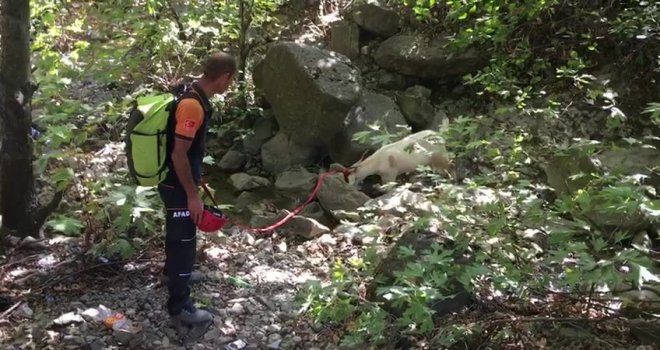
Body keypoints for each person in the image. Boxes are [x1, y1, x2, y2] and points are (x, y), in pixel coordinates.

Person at [157, 52, 236, 330]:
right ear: (224, 77)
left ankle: (172, 274)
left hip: (174, 180)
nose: (230, 86)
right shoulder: (193, 106)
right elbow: (179, 154)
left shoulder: (191, 92)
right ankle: (180, 310)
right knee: (184, 244)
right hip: (175, 184)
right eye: (231, 80)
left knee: (177, 237)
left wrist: (195, 179)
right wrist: (192, 195)